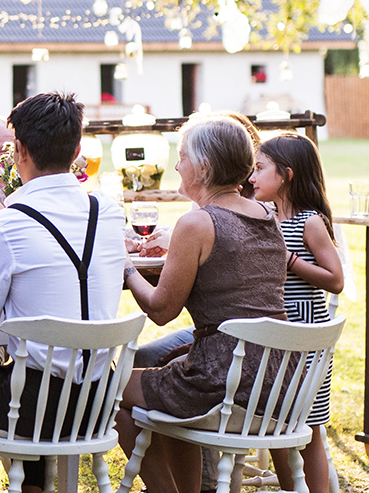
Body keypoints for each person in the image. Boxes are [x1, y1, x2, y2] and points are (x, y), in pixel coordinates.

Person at [0, 92, 129, 493]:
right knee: (26, 378)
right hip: (98, 401)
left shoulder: (7, 227)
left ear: (19, 151)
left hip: (37, 408)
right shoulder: (109, 213)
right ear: (77, 150)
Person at [118, 115, 288, 493]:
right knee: (168, 386)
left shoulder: (197, 223)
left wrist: (125, 266)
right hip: (277, 378)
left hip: (225, 381)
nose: (177, 167)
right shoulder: (267, 215)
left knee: (104, 390)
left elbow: (161, 311)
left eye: (182, 157)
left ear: (204, 167)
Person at [247, 133, 344, 493]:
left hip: (305, 337)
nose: (252, 177)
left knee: (309, 425)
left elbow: (335, 279)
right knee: (276, 419)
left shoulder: (309, 222)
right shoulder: (264, 216)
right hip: (275, 334)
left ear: (286, 175)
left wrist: (289, 260)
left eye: (260, 168)